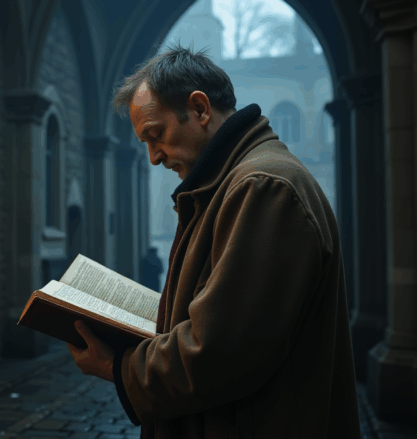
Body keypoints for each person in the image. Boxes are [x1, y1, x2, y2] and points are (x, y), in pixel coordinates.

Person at [66, 44, 362, 438]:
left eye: (157, 135)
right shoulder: (227, 184)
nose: (154, 157)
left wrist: (116, 366)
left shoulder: (262, 187)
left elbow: (220, 352)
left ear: (201, 109)